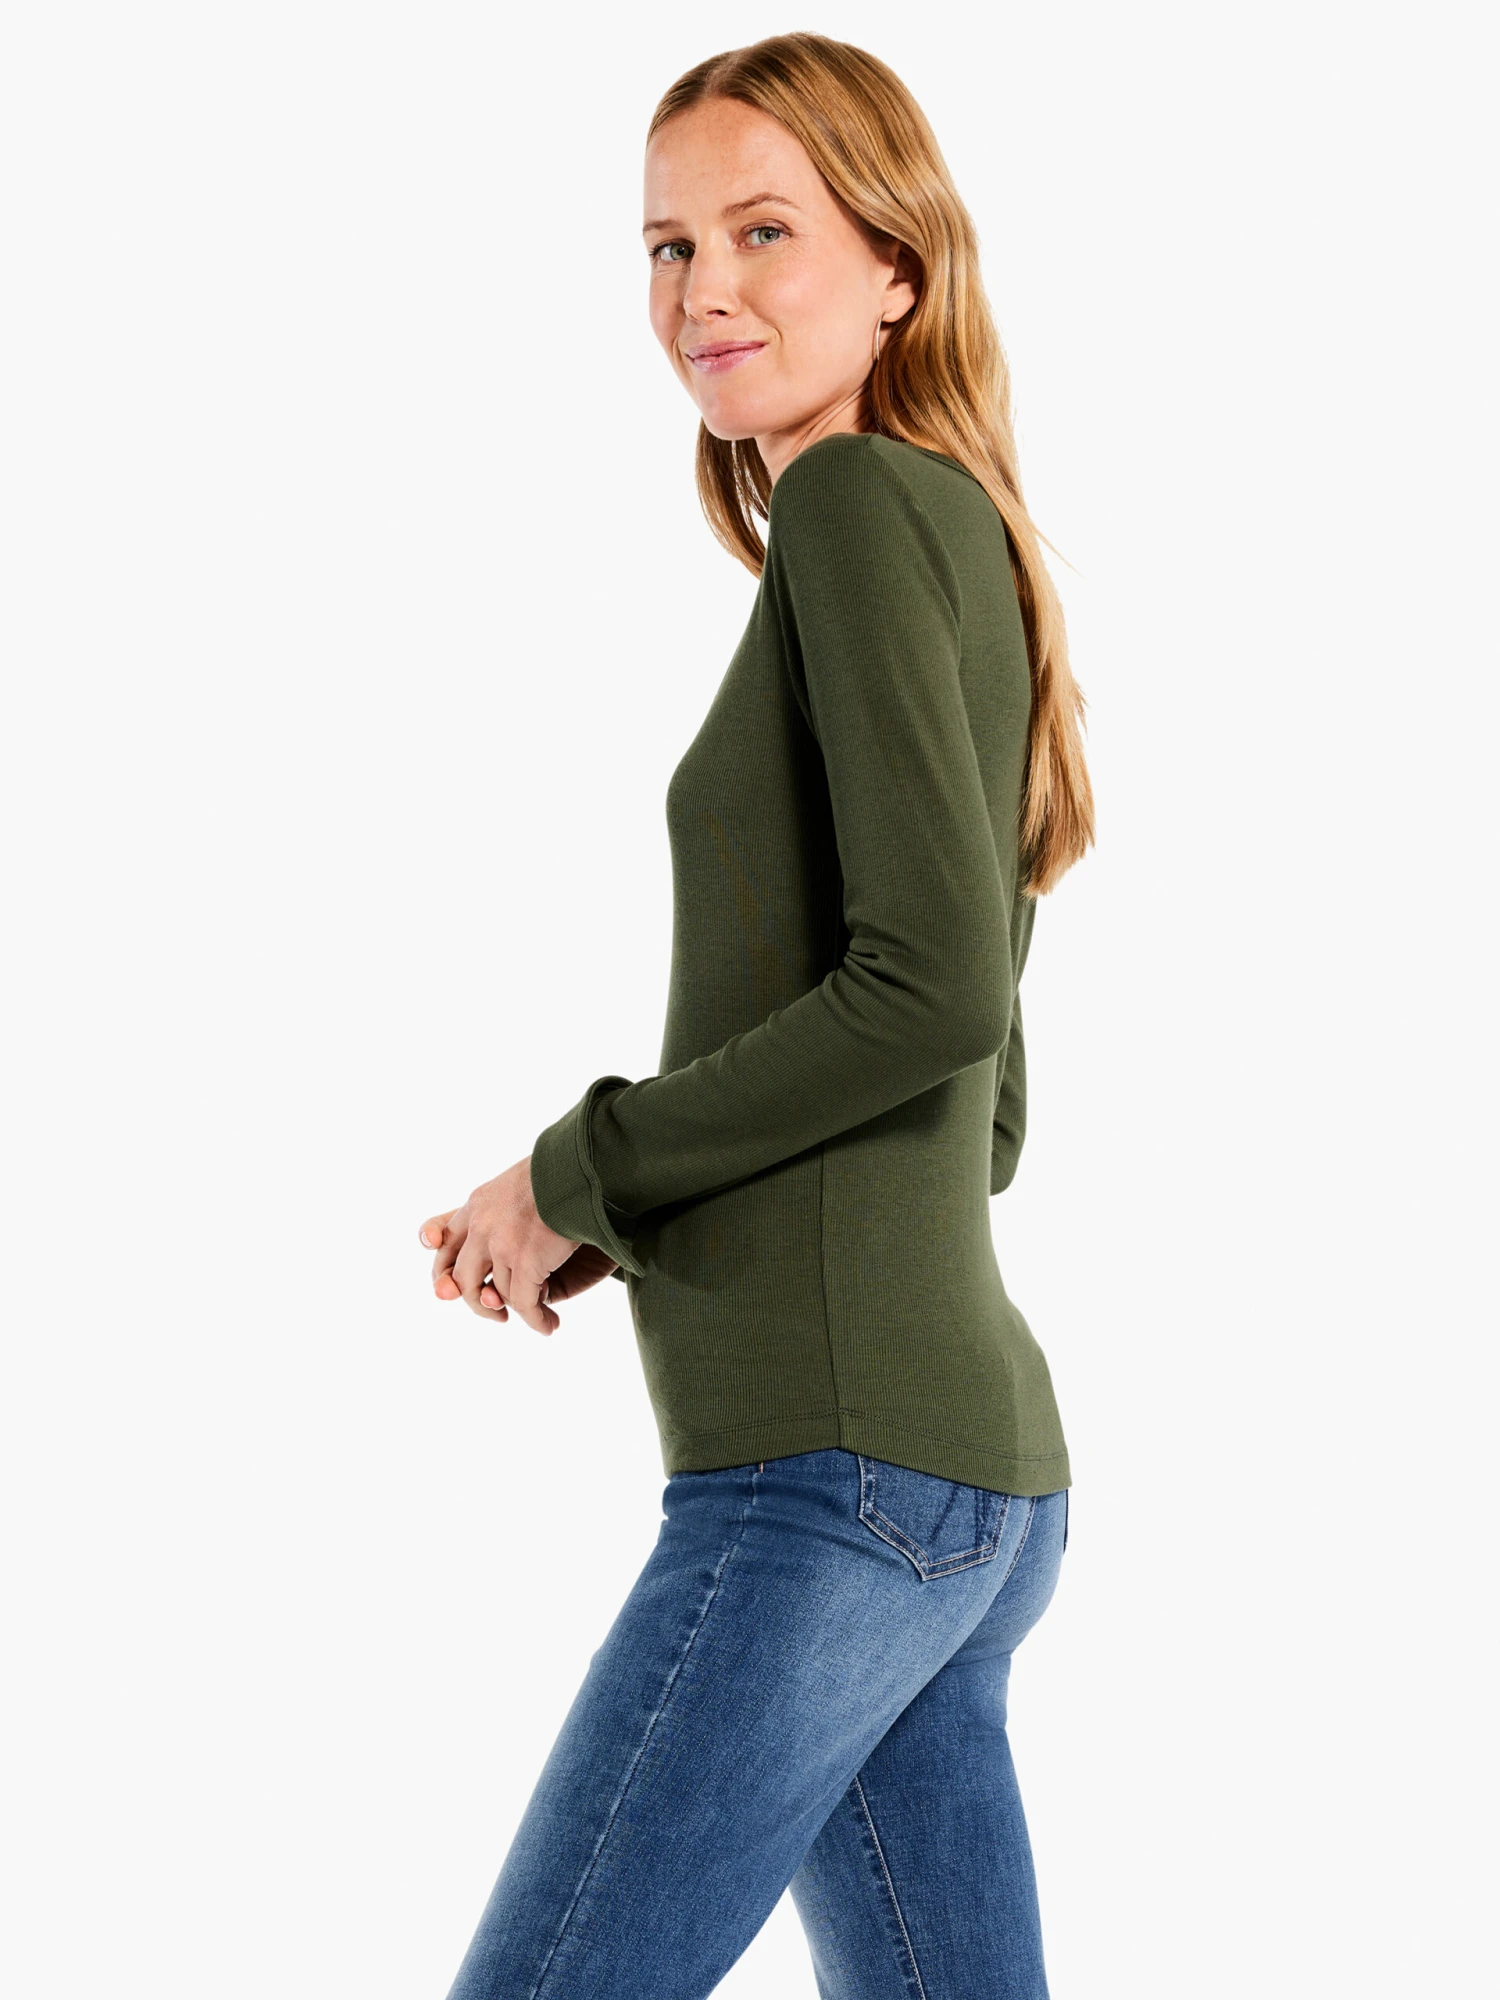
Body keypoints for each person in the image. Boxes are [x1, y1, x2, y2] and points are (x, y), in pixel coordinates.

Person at [420, 32, 1095, 2000]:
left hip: (831, 1489)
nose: (703, 287)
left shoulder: (860, 512)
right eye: (667, 246)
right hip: (973, 1483)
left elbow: (932, 996)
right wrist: (643, 1213)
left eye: (763, 231)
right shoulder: (966, 537)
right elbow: (982, 1111)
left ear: (897, 264)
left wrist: (581, 1172)